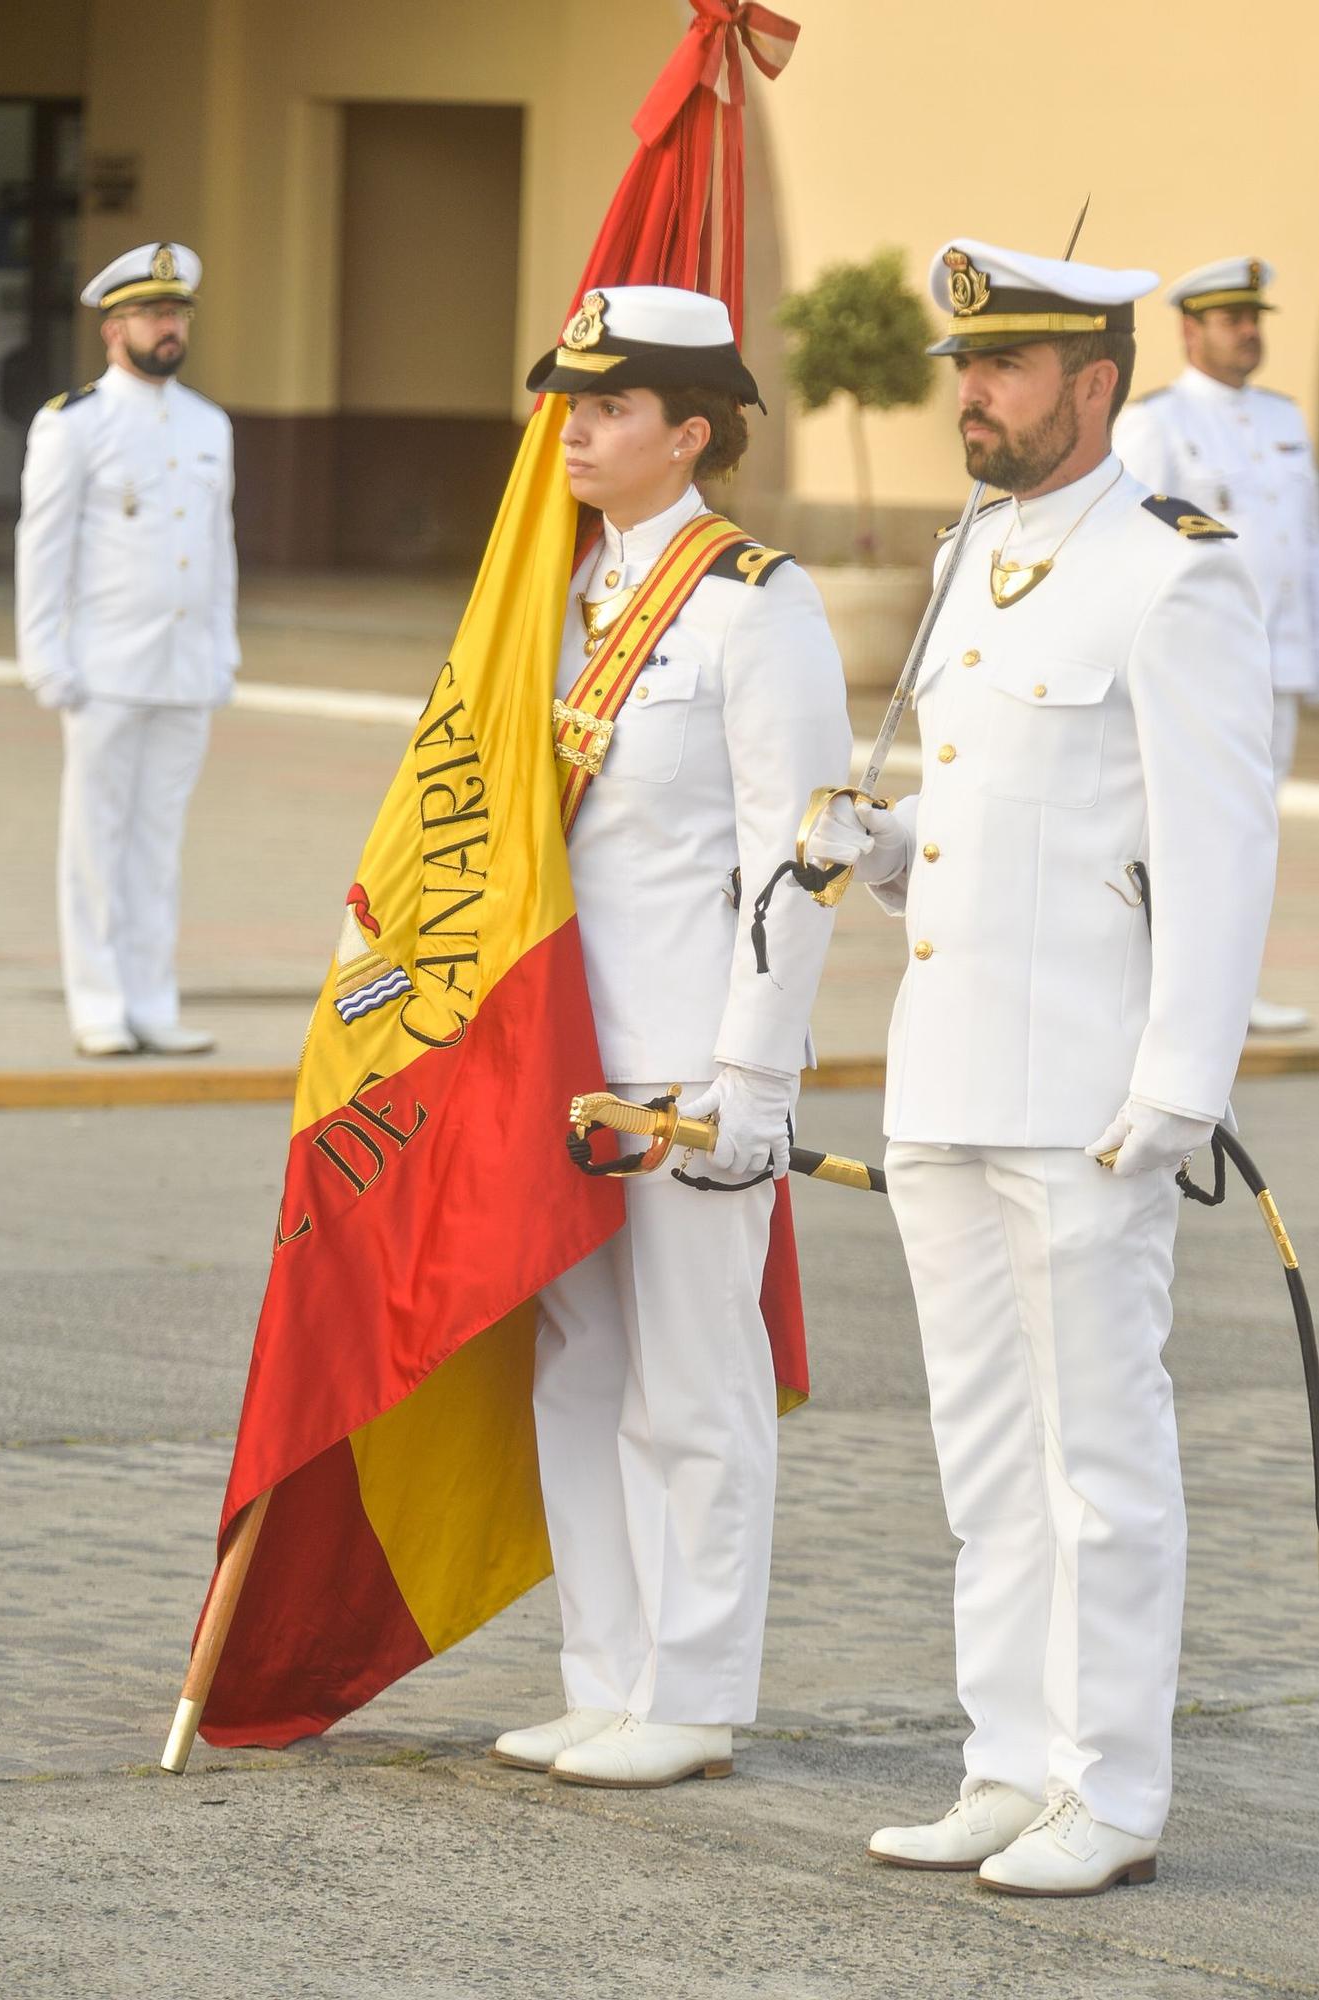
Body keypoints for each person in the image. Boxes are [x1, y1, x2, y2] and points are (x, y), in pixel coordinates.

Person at [806, 240, 1276, 1893]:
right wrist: (881, 842)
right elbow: (996, 812)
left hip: (1083, 1092)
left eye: (1000, 369)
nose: (968, 395)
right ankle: (1003, 1764)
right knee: (985, 1456)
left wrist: (1176, 1081)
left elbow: (1213, 852)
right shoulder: (968, 556)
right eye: (960, 368)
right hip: (941, 1076)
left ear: (1094, 386)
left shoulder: (1169, 572)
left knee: (1098, 1458)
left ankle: (1112, 1791)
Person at [490, 284, 851, 1789]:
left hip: (686, 1062)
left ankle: (691, 1695)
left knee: (689, 1380)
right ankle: (606, 1673)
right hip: (559, 1045)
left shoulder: (756, 603)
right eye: (569, 403)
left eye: (613, 407)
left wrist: (755, 1070)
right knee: (574, 1369)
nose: (575, 430)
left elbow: (798, 850)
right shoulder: (548, 592)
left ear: (691, 432)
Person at [15, 241, 238, 1057]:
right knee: (96, 843)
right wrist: (45, 655)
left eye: (175, 312)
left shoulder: (208, 423)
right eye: (150, 313)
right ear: (113, 330)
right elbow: (45, 545)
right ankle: (99, 1004)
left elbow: (219, 548)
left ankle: (153, 1000)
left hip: (184, 670)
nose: (167, 327)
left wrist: (223, 651)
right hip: (104, 667)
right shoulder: (74, 423)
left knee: (158, 844)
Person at [1114, 256, 1318, 1034]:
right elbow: (1130, 541)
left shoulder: (1282, 419)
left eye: (1252, 319)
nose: (1246, 332)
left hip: (1277, 662)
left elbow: (1301, 545)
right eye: (1231, 320)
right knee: (1184, 830)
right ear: (1189, 329)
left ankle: (1232, 990)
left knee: (1249, 834)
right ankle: (1166, 994)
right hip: (1197, 668)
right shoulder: (1157, 422)